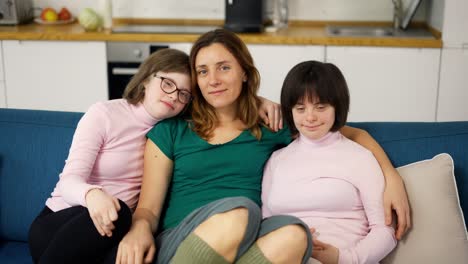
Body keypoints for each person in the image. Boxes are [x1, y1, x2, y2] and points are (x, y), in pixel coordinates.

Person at [114, 29, 408, 264]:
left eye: (223, 67)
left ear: (244, 72)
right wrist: (138, 231)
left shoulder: (272, 126)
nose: (213, 80)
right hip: (183, 242)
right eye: (202, 71)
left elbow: (346, 133)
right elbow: (148, 209)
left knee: (296, 235)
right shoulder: (172, 131)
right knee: (240, 212)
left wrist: (391, 177)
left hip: (248, 242)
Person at [262, 60, 397, 264]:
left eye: (320, 107)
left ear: (337, 107)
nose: (310, 117)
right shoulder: (276, 160)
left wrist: (344, 258)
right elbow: (265, 225)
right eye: (300, 108)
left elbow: (385, 231)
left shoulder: (360, 157)